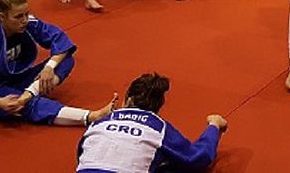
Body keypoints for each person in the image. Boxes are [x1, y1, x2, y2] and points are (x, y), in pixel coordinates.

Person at [0, 0, 117, 126]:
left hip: (16, 80)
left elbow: (59, 38)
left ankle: (28, 94)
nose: (24, 20)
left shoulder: (27, 22)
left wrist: (49, 67)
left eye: (26, 14)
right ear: (2, 16)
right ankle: (90, 117)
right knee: (28, 105)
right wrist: (0, 102)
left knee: (65, 60)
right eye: (18, 17)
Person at [76, 73, 228, 172]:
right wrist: (214, 126)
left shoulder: (97, 124)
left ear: (128, 100)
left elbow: (82, 156)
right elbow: (198, 158)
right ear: (158, 107)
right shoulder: (158, 128)